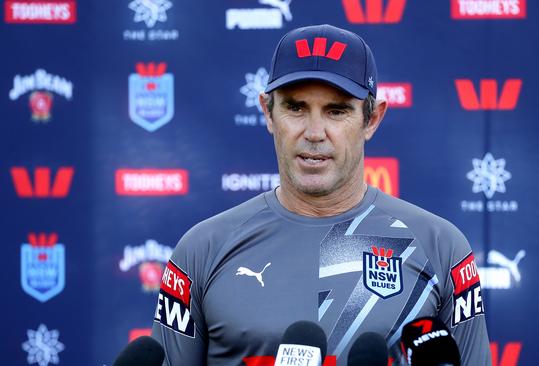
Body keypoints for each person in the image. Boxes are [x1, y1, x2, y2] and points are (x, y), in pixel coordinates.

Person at [152, 24, 491, 365]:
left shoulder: (441, 247)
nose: (314, 133)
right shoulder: (201, 250)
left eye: (336, 111)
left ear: (372, 119)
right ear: (268, 113)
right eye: (296, 108)